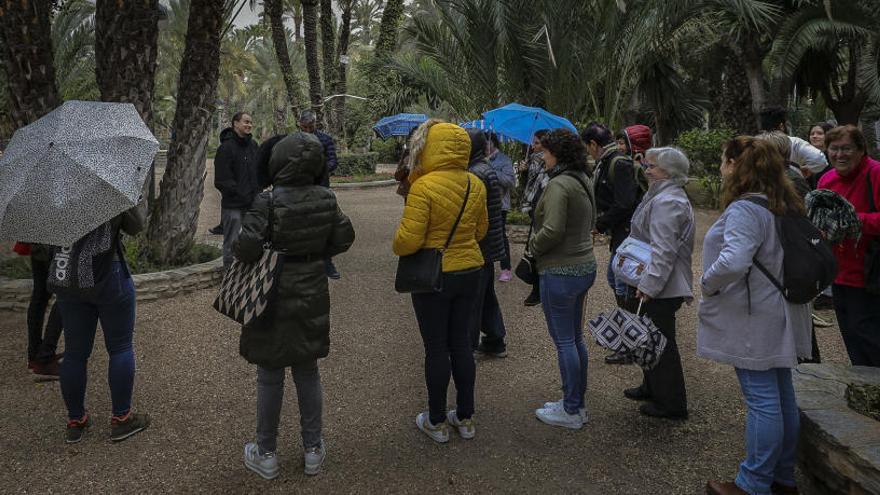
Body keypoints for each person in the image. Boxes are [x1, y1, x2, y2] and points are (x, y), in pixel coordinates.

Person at [234, 132, 355, 479]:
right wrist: (316, 250)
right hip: (312, 287)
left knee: (270, 374)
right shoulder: (326, 198)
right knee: (307, 370)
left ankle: (266, 452)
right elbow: (344, 237)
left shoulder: (267, 201)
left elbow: (246, 248)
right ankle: (313, 449)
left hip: (271, 292)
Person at [700, 137, 812, 495]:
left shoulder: (745, 209)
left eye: (723, 160)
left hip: (755, 316)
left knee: (763, 399)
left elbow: (733, 260)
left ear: (735, 164)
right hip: (778, 311)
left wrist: (708, 282)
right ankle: (783, 477)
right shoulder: (782, 204)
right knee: (781, 395)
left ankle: (752, 483)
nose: (720, 168)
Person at [392, 121, 488, 443]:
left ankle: (435, 420)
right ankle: (465, 417)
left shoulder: (423, 186)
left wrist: (397, 242)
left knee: (436, 348)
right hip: (471, 271)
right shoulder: (476, 184)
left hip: (435, 277)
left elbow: (408, 241)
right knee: (462, 343)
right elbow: (481, 232)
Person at [56, 207, 151, 444]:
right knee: (120, 347)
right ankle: (122, 418)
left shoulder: (54, 189)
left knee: (74, 353)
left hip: (69, 275)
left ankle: (75, 421)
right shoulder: (109, 182)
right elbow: (136, 226)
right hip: (109, 272)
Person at [529, 129, 597, 430]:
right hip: (583, 265)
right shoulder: (583, 178)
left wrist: (533, 247)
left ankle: (570, 409)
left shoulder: (559, 185)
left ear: (557, 153)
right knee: (575, 338)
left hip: (560, 270)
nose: (542, 156)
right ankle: (576, 404)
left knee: (565, 340)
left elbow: (553, 230)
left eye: (545, 151)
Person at [622, 147, 694, 420]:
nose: (646, 169)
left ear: (668, 172)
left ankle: (671, 403)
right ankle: (652, 387)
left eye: (651, 166)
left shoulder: (668, 202)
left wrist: (650, 285)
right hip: (657, 280)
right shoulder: (663, 195)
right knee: (650, 337)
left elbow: (664, 251)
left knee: (662, 343)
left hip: (664, 284)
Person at [817, 125, 880, 367]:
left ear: (861, 150)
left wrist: (852, 220)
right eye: (834, 149)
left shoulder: (874, 173)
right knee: (852, 337)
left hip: (870, 274)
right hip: (839, 273)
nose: (840, 155)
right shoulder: (827, 179)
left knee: (870, 339)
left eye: (847, 149)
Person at [582, 122, 642, 365]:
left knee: (623, 286)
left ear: (594, 144)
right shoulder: (608, 162)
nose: (588, 153)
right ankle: (631, 336)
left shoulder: (619, 163)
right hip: (620, 233)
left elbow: (624, 203)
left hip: (627, 234)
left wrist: (601, 223)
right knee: (614, 280)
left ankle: (631, 342)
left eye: (588, 148)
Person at [465, 128, 508, 358]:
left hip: (480, 244)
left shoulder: (475, 173)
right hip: (489, 243)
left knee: (473, 297)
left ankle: (469, 344)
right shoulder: (485, 168)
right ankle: (494, 338)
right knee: (486, 294)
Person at [298, 110, 342, 280]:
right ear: (300, 124)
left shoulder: (325, 139)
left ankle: (326, 262)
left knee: (325, 226)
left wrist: (320, 170)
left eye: (311, 126)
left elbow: (333, 161)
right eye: (304, 127)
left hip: (321, 187)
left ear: (315, 124)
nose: (308, 130)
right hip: (300, 187)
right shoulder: (293, 140)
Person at [214, 111, 259, 270]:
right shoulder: (226, 148)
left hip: (252, 204)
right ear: (235, 124)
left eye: (250, 122)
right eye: (246, 122)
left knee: (251, 241)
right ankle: (229, 276)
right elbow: (221, 180)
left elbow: (257, 171)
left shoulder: (253, 146)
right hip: (233, 205)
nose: (249, 125)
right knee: (232, 242)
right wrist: (239, 192)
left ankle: (246, 274)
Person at [519, 130, 550, 306]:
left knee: (537, 250)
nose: (533, 146)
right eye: (533, 142)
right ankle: (538, 289)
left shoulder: (541, 161)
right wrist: (524, 172)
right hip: (533, 208)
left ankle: (539, 290)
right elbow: (529, 186)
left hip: (540, 210)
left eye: (537, 143)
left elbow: (541, 187)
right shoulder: (533, 160)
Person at [22, 243, 64, 377]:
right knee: (65, 295)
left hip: (38, 240)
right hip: (55, 245)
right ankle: (45, 357)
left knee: (40, 296)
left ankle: (35, 354)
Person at [759, 106, 828, 178]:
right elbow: (820, 160)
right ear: (782, 126)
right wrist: (807, 168)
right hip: (789, 185)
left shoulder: (754, 143)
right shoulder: (794, 142)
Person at [487, 132, 516, 282]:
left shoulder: (504, 160)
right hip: (483, 204)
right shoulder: (479, 160)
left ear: (493, 143)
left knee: (500, 235)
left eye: (488, 142)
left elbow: (510, 181)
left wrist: (490, 171)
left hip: (499, 204)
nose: (485, 146)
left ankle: (506, 269)